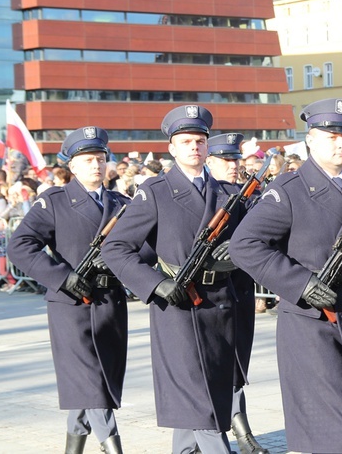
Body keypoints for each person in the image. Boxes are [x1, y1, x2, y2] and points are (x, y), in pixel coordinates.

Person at [228, 98, 342, 454]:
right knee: (341, 428)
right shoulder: (289, 191)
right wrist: (301, 283)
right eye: (331, 135)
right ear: (310, 140)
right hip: (311, 323)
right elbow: (245, 245)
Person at [102, 105, 240, 454]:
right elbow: (116, 248)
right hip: (178, 309)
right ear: (172, 148)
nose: (194, 146)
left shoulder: (227, 194)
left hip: (220, 306)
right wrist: (154, 284)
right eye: (185, 141)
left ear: (207, 147)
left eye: (199, 140)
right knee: (201, 403)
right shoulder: (157, 191)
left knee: (199, 407)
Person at [7, 127, 132, 453]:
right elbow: (20, 247)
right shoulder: (55, 202)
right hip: (71, 305)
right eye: (88, 159)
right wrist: (62, 277)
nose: (96, 165)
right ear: (72, 166)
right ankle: (113, 447)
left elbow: (144, 249)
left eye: (101, 159)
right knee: (92, 381)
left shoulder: (122, 203)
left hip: (111, 303)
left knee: (89, 385)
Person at [205, 132, 269, 454]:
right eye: (226, 160)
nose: (234, 166)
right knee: (218, 367)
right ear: (210, 161)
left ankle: (237, 432)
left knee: (237, 366)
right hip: (209, 294)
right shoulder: (204, 196)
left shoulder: (245, 196)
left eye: (236, 159)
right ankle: (241, 434)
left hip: (240, 292)